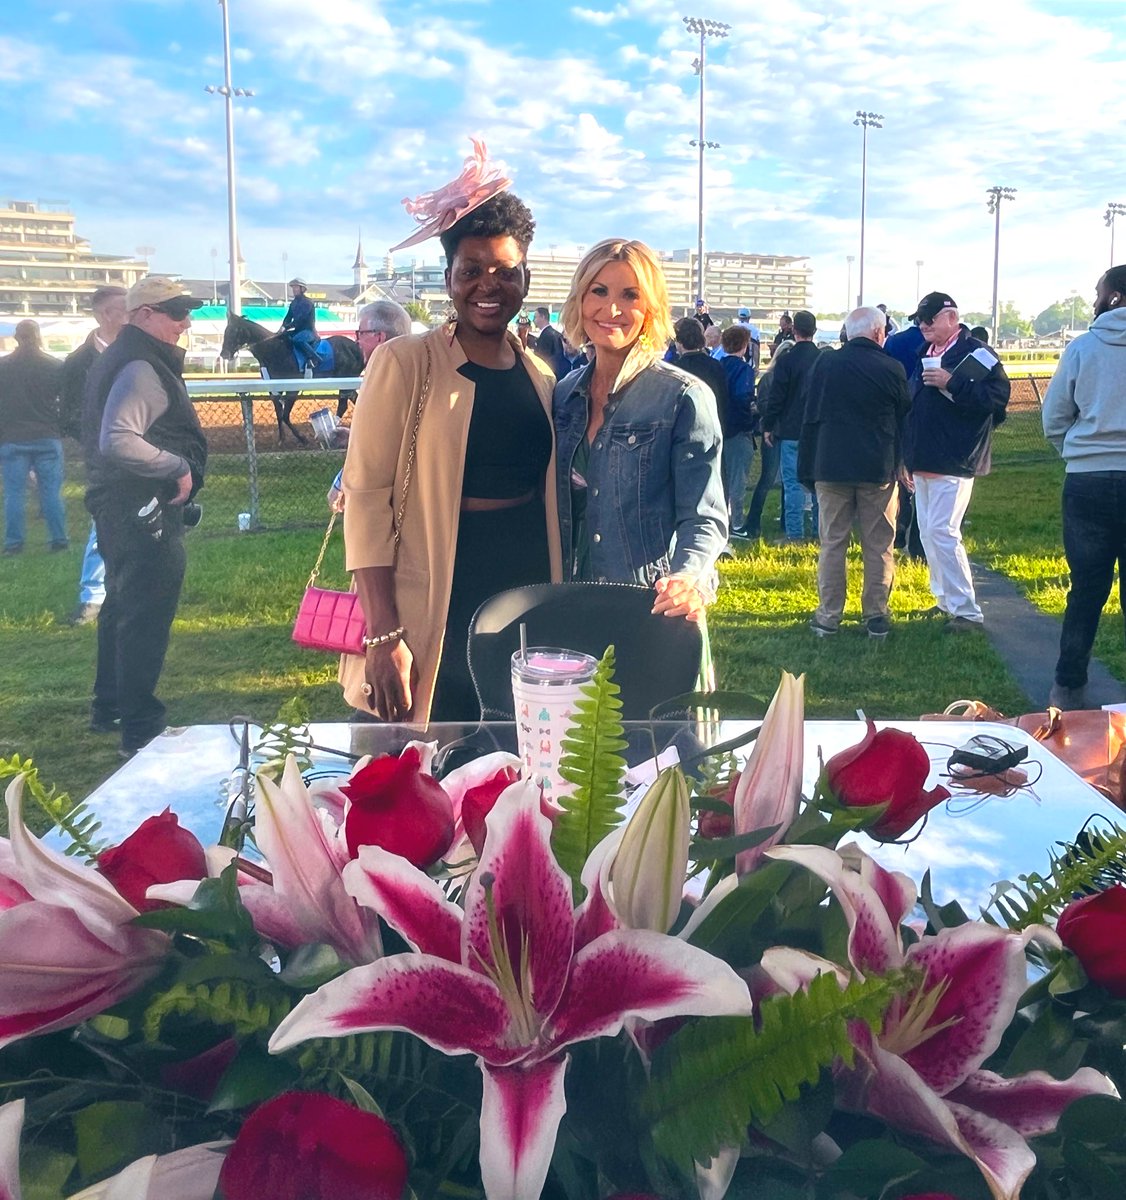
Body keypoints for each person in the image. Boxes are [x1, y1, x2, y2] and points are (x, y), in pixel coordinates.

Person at [341, 152, 561, 723]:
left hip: (524, 585)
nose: (489, 285)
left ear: (526, 280)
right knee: (427, 760)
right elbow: (365, 498)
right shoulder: (404, 362)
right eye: (472, 270)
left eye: (505, 271)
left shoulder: (541, 376)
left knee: (513, 755)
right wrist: (382, 632)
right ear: (448, 279)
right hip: (434, 589)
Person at [554, 238, 727, 622]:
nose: (611, 309)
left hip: (646, 608)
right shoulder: (564, 395)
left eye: (630, 295)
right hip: (566, 603)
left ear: (650, 308)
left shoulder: (683, 397)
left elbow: (705, 516)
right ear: (580, 300)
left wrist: (688, 580)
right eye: (598, 291)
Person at [82, 276, 207, 757]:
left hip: (120, 503)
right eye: (175, 311)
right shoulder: (140, 364)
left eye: (186, 311)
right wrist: (177, 467)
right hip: (141, 507)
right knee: (144, 613)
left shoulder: (122, 356)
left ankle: (110, 705)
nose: (185, 321)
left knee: (121, 604)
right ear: (143, 315)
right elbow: (118, 439)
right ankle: (141, 727)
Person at [1042, 265, 1126, 708]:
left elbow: (1054, 416)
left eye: (1098, 292)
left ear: (1113, 297)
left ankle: (1068, 685)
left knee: (1087, 588)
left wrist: (1076, 452)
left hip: (1088, 481)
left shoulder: (1083, 347)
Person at [799, 306, 910, 639]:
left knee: (833, 542)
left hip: (830, 465)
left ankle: (828, 616)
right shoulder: (891, 367)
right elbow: (905, 417)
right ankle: (876, 614)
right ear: (878, 333)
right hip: (877, 468)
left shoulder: (825, 363)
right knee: (879, 544)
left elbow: (810, 413)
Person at [902, 291, 1010, 632]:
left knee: (943, 531)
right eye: (919, 319)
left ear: (952, 317)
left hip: (956, 456)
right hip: (924, 457)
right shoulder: (925, 353)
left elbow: (996, 402)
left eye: (929, 319)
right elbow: (913, 410)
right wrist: (907, 457)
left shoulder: (976, 353)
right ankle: (945, 600)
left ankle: (966, 610)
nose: (923, 325)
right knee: (928, 533)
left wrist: (954, 384)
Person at [59, 285, 128, 623]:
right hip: (105, 458)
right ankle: (92, 596)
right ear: (106, 315)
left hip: (144, 454)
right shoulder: (78, 362)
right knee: (101, 521)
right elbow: (68, 413)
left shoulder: (137, 352)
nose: (130, 315)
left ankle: (129, 588)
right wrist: (98, 440)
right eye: (124, 309)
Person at [327, 299, 412, 512]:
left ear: (379, 336)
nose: (357, 341)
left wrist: (340, 482)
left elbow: (378, 444)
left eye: (361, 333)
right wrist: (353, 437)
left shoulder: (385, 378)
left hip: (388, 501)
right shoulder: (413, 370)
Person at [0, 320, 67, 556]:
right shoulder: (54, 366)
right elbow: (64, 402)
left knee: (14, 493)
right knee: (51, 491)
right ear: (38, 336)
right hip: (46, 435)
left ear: (16, 338)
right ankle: (59, 540)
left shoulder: (3, 366)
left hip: (11, 437)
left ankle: (13, 544)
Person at [762, 310, 820, 541]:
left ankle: (794, 533)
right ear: (814, 332)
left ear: (794, 330)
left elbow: (777, 397)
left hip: (790, 429)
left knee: (792, 483)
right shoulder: (824, 359)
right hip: (816, 429)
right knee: (818, 484)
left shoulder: (786, 361)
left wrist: (769, 424)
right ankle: (818, 531)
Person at [717, 324, 757, 534]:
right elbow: (743, 397)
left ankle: (720, 520)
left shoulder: (717, 366)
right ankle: (737, 523)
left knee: (720, 479)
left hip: (718, 427)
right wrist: (750, 419)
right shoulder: (744, 370)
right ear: (744, 345)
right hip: (738, 430)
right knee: (737, 481)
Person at [671, 316, 729, 430]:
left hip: (684, 429)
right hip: (713, 424)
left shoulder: (675, 370)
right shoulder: (715, 365)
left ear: (679, 341)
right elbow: (723, 399)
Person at [281, 278, 320, 370]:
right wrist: (282, 327)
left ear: (302, 289)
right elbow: (288, 317)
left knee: (298, 340)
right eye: (293, 288)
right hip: (297, 331)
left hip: (308, 331)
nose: (294, 290)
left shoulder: (308, 302)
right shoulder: (293, 303)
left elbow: (300, 320)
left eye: (296, 287)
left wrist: (286, 327)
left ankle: (314, 358)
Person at [532, 306, 569, 379]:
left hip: (548, 373)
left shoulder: (546, 336)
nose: (534, 320)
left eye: (535, 317)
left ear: (543, 317)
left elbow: (542, 357)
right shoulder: (556, 334)